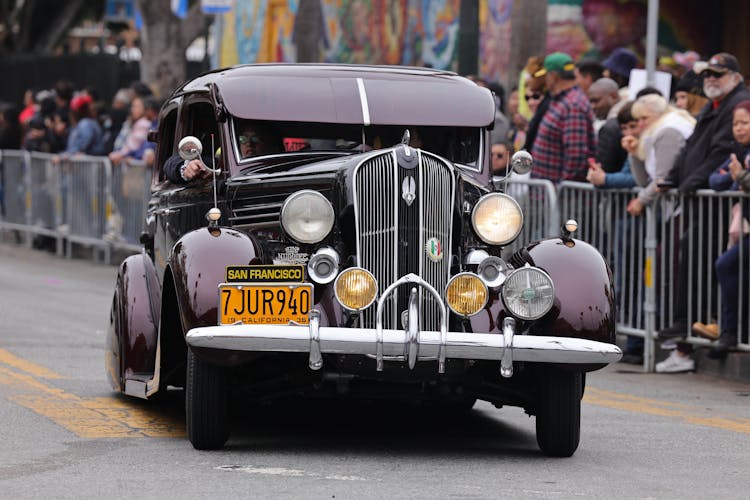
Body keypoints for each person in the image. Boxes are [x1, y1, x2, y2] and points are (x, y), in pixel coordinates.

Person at [658, 53, 750, 340]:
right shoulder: (714, 105)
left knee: (709, 258)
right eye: (707, 74)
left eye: (717, 74)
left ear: (735, 77)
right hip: (699, 196)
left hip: (717, 202)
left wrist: (691, 183)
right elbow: (690, 147)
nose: (710, 78)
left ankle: (702, 320)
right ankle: (689, 319)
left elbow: (723, 152)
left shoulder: (737, 103)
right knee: (694, 253)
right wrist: (672, 178)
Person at [695, 100, 750, 359]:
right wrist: (735, 175)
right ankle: (730, 332)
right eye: (736, 123)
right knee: (728, 266)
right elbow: (715, 181)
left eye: (745, 123)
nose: (739, 129)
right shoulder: (739, 153)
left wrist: (739, 177)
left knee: (727, 265)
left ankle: (731, 332)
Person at [624, 94, 695, 217]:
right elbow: (644, 181)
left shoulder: (669, 132)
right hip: (675, 207)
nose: (640, 124)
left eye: (644, 118)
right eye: (637, 119)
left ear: (659, 114)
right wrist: (634, 153)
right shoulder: (662, 129)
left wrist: (641, 200)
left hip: (683, 208)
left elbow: (663, 179)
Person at [530, 52, 595, 184]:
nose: (545, 80)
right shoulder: (560, 101)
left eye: (546, 75)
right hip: (546, 195)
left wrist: (562, 190)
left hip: (560, 198)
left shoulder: (573, 105)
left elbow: (576, 156)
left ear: (553, 76)